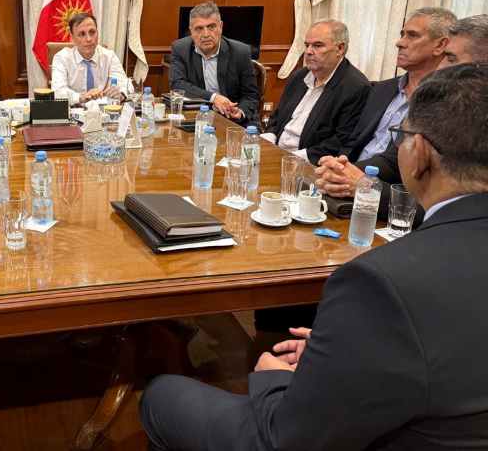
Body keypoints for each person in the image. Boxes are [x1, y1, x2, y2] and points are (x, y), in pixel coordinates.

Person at [140, 63, 488, 450]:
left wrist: (272, 378)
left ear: (419, 153)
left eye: (400, 137)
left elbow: (289, 438)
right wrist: (343, 351)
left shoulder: (381, 281)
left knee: (161, 395)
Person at [315, 14, 488, 205]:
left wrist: (364, 186)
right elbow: (387, 155)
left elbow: (443, 204)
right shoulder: (381, 89)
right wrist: (340, 171)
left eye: (451, 58)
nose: (442, 66)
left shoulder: (459, 110)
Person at [342, 7, 456, 162]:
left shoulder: (448, 99)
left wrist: (352, 171)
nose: (399, 43)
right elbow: (352, 141)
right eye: (402, 35)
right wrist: (337, 164)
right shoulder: (381, 89)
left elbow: (410, 162)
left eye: (412, 35)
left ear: (440, 46)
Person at [261, 19, 370, 164]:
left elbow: (341, 141)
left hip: (308, 162)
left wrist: (291, 158)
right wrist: (269, 137)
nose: (308, 52)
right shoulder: (299, 76)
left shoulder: (355, 87)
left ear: (340, 49)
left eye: (317, 46)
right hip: (275, 152)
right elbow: (278, 116)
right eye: (307, 45)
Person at [168, 1, 260, 123]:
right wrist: (214, 98)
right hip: (197, 117)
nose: (206, 34)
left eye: (211, 27)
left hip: (232, 120)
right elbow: (177, 84)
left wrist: (240, 111)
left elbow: (250, 95)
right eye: (199, 29)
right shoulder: (180, 49)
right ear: (191, 31)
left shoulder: (240, 52)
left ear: (220, 26)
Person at [50, 12, 132, 105]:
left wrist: (121, 93)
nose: (89, 39)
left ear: (97, 33)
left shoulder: (109, 56)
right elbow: (57, 92)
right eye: (82, 34)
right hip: (73, 110)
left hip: (103, 111)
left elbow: (126, 84)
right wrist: (82, 97)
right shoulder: (62, 58)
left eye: (92, 32)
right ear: (72, 38)